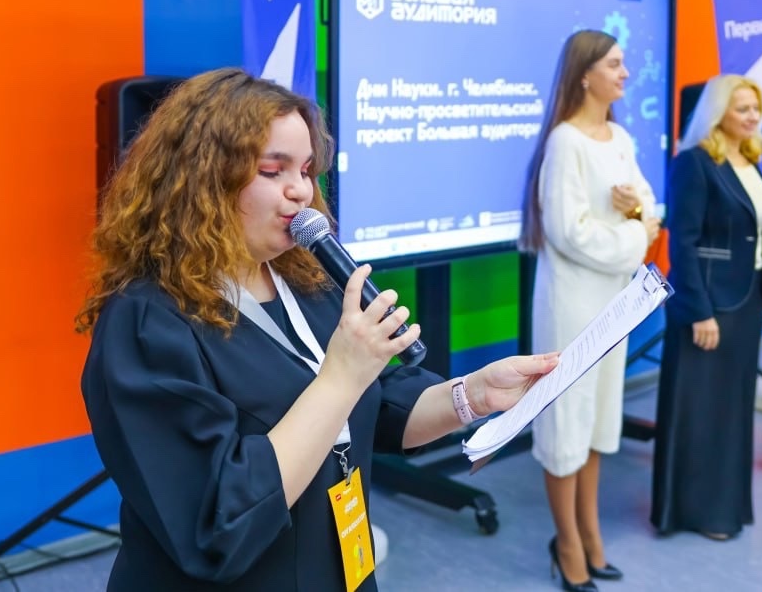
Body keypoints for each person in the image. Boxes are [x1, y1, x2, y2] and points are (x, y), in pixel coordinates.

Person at [77, 69, 559, 592]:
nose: (301, 191)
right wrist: (339, 379)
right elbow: (215, 523)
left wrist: (473, 395)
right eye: (272, 170)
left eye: (306, 170)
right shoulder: (147, 321)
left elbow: (381, 406)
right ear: (203, 179)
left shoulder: (305, 278)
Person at [520, 29, 659, 592]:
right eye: (615, 64)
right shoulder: (565, 143)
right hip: (573, 306)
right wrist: (636, 234)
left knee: (598, 422)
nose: (625, 73)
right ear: (585, 75)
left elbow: (650, 207)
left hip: (613, 302)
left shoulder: (619, 136)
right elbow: (568, 232)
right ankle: (569, 545)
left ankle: (590, 534)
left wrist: (638, 217)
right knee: (565, 426)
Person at [650, 75, 762, 540]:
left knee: (731, 410)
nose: (752, 116)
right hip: (708, 305)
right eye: (742, 108)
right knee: (700, 409)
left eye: (755, 108)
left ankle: (724, 507)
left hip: (746, 301)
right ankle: (692, 511)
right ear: (716, 112)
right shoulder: (694, 163)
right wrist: (699, 311)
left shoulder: (750, 159)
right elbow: (683, 245)